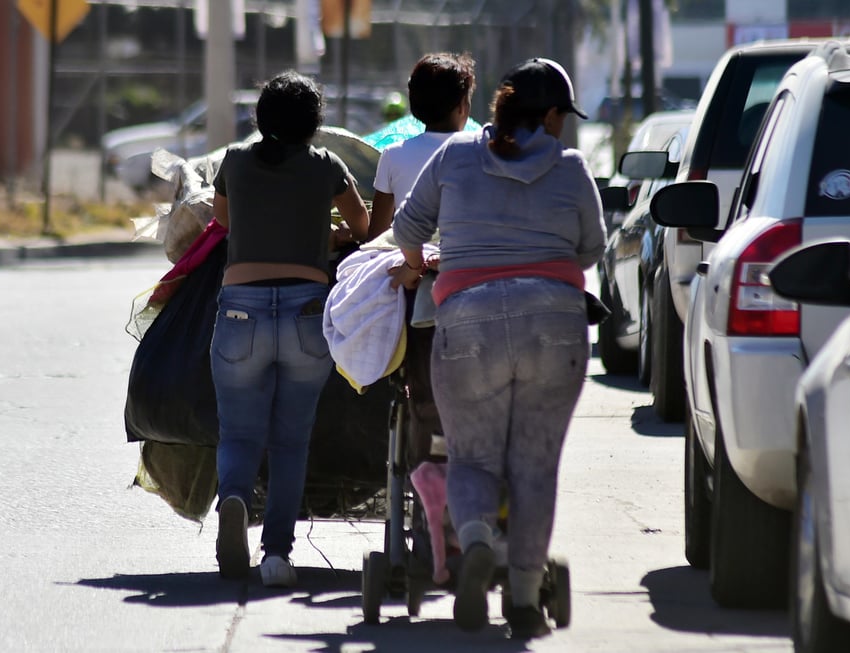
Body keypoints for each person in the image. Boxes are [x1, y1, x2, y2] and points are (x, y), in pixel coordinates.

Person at [389, 58, 606, 639]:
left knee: (471, 457)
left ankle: (478, 538)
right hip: (554, 324)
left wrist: (428, 266)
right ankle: (526, 599)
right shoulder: (572, 166)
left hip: (467, 320)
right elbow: (592, 249)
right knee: (535, 466)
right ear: (553, 115)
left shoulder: (455, 157)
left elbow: (407, 232)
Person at [210, 71, 370, 587]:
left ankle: (233, 498)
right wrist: (326, 233)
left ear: (260, 117)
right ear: (314, 122)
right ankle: (276, 554)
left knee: (238, 430)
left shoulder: (233, 163)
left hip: (240, 312)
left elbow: (226, 223)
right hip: (306, 313)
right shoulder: (327, 165)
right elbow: (364, 230)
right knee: (289, 441)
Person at [368, 52, 476, 239]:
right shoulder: (479, 151)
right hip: (464, 261)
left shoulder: (394, 155)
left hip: (409, 262)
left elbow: (377, 236)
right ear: (461, 106)